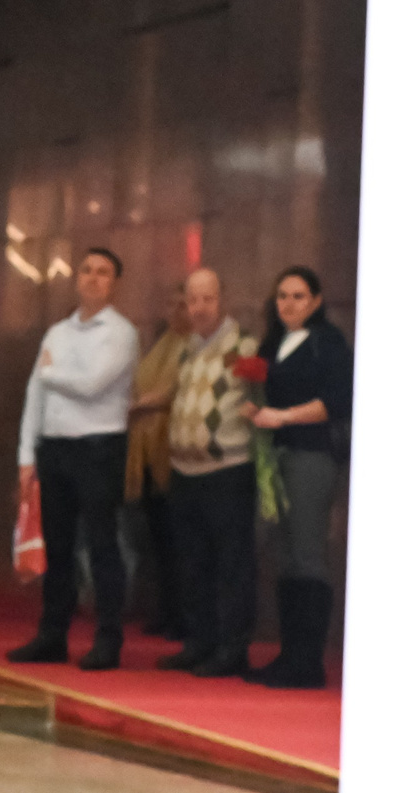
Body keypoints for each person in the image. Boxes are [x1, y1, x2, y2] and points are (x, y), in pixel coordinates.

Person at [6, 249, 141, 669]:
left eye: (103, 272)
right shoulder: (57, 333)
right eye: (86, 270)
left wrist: (52, 373)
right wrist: (27, 454)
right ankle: (53, 634)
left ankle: (108, 638)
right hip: (56, 447)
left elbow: (92, 385)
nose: (93, 278)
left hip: (99, 447)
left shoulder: (121, 333)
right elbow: (34, 394)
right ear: (76, 278)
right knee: (58, 546)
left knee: (102, 544)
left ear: (115, 282)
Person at [244, 265, 353, 687]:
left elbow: (336, 400)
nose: (289, 304)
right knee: (286, 556)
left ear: (316, 301)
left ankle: (308, 662)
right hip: (278, 456)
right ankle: (289, 656)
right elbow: (263, 392)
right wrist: (255, 411)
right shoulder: (273, 343)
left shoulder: (327, 342)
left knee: (307, 554)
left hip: (311, 453)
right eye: (283, 296)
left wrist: (283, 416)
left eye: (298, 296)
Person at [150, 267, 261, 677]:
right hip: (185, 471)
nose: (198, 308)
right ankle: (198, 643)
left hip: (227, 470)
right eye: (192, 300)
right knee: (192, 562)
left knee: (231, 563)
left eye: (207, 299)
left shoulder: (242, 346)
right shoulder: (187, 349)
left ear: (223, 300)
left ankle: (232, 649)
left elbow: (261, 393)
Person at [127, 292, 191, 640]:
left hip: (174, 453)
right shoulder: (161, 345)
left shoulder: (193, 347)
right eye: (172, 303)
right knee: (157, 542)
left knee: (178, 541)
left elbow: (173, 390)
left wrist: (144, 403)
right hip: (147, 454)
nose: (177, 310)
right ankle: (165, 609)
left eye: (184, 304)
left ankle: (182, 614)